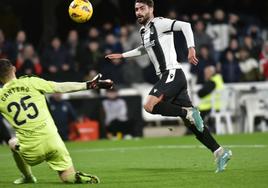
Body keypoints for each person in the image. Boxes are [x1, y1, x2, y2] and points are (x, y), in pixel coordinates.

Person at [105, 0, 232, 173]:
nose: (138, 12)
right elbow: (144, 49)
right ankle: (219, 152)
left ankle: (187, 112)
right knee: (193, 125)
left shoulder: (160, 23)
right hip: (171, 77)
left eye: (142, 8)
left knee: (149, 105)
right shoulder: (144, 30)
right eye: (136, 9)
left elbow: (186, 26)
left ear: (151, 9)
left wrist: (191, 48)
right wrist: (122, 55)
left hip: (172, 73)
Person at [0, 58, 113, 184]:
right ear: (14, 69)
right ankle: (76, 177)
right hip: (54, 142)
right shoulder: (31, 82)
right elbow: (60, 87)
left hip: (31, 150)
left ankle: (28, 177)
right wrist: (88, 84)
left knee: (12, 142)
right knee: (67, 177)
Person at [197, 66, 224, 133]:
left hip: (211, 106)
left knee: (195, 114)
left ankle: (196, 131)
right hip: (219, 105)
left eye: (206, 73)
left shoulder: (212, 81)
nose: (205, 75)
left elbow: (201, 93)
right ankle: (211, 129)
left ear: (211, 72)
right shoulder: (219, 79)